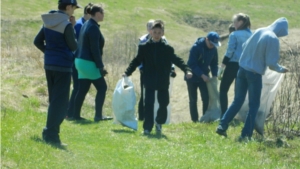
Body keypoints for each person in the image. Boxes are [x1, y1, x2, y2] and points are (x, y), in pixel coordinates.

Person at [216, 17, 289, 141]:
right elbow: (271, 63)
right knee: (254, 104)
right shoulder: (272, 38)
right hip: (254, 74)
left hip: (242, 69)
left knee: (237, 100)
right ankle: (246, 134)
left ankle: (222, 125)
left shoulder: (259, 31)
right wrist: (282, 69)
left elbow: (244, 45)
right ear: (281, 30)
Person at [124, 20, 193, 134]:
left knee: (164, 103)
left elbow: (177, 60)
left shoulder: (167, 49)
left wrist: (187, 70)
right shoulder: (145, 48)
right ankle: (147, 128)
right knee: (149, 104)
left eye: (159, 32)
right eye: (154, 32)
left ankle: (159, 123)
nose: (156, 35)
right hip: (149, 80)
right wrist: (127, 72)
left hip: (162, 81)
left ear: (162, 33)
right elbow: (136, 61)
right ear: (151, 32)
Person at [33, 0, 80, 146]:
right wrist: (72, 28)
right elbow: (74, 46)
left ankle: (50, 132)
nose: (74, 11)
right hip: (63, 66)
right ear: (68, 7)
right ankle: (51, 135)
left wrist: (49, 53)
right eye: (73, 8)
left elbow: (37, 41)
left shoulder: (48, 22)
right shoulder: (66, 24)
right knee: (60, 102)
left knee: (54, 100)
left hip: (49, 65)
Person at [74, 4, 112, 122]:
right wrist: (100, 67)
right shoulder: (93, 27)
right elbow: (94, 49)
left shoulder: (86, 24)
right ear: (97, 14)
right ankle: (98, 116)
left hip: (79, 61)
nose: (104, 15)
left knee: (82, 89)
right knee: (102, 87)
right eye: (103, 12)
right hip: (88, 62)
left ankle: (75, 115)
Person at [137, 19, 176, 121]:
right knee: (146, 98)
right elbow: (139, 58)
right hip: (147, 74)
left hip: (161, 76)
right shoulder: (143, 41)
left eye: (152, 27)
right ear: (149, 30)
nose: (153, 31)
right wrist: (141, 69)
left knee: (162, 100)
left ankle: (159, 120)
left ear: (162, 32)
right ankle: (144, 119)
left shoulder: (165, 44)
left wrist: (172, 69)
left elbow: (170, 58)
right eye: (150, 27)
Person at [218, 13, 252, 118]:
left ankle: (224, 115)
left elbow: (230, 52)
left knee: (223, 90)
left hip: (233, 65)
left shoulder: (234, 35)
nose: (234, 24)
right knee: (238, 93)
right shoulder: (252, 34)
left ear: (240, 22)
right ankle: (235, 115)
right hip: (245, 66)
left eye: (235, 22)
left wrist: (222, 66)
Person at [186, 32, 220, 122]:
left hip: (204, 78)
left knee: (206, 98)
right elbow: (192, 64)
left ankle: (205, 118)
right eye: (211, 43)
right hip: (192, 77)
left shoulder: (214, 49)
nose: (212, 46)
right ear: (206, 39)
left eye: (214, 44)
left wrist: (215, 75)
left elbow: (214, 63)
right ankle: (195, 120)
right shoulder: (196, 47)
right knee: (193, 100)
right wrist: (202, 75)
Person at [66, 3, 92, 120]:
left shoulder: (84, 24)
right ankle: (70, 113)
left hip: (81, 60)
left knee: (78, 87)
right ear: (88, 13)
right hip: (77, 59)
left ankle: (71, 113)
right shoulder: (80, 25)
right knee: (77, 87)